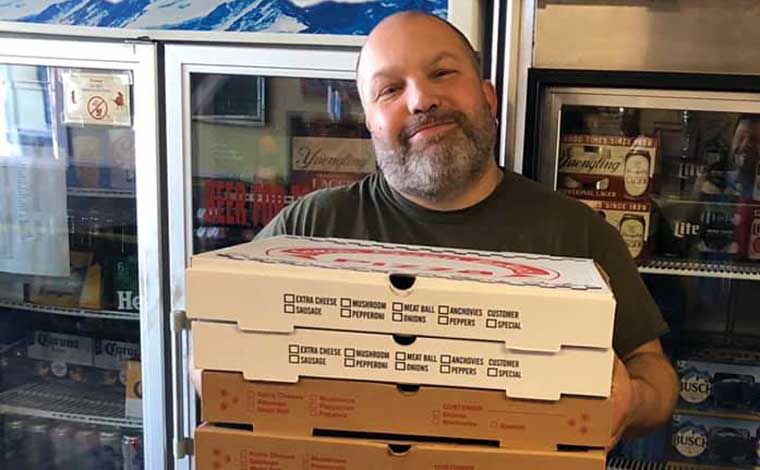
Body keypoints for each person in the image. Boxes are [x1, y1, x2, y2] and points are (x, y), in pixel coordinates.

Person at [204, 11, 678, 448]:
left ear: (488, 97)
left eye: (443, 73)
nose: (421, 100)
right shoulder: (309, 228)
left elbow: (653, 373)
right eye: (389, 90)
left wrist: (631, 401)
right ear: (370, 121)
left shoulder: (576, 234)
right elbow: (210, 349)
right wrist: (227, 380)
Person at [696, 114, 760, 199]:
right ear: (732, 140)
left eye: (754, 139)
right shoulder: (715, 174)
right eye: (740, 137)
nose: (744, 145)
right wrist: (698, 191)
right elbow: (691, 210)